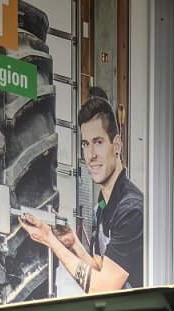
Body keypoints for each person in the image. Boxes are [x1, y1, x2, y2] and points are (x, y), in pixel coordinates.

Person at [21, 91, 144, 293]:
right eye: (86, 144)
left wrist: (50, 240)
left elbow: (102, 287)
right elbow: (101, 268)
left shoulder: (131, 210)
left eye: (98, 142)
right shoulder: (104, 203)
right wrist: (74, 243)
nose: (91, 155)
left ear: (117, 146)